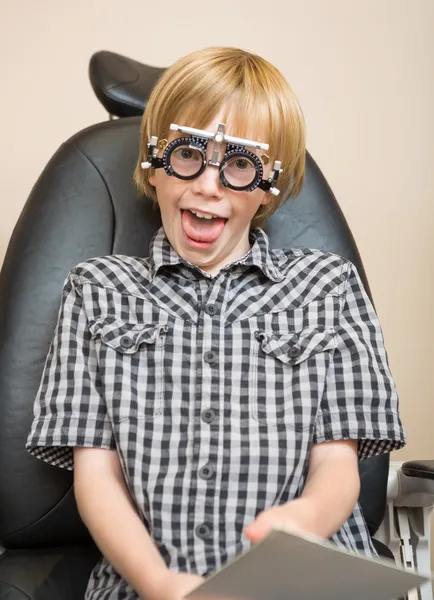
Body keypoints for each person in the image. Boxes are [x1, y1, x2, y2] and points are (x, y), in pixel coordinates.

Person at [26, 46, 406, 600]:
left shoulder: (328, 286)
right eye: (187, 155)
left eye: (240, 165)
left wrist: (304, 518)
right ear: (154, 164)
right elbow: (96, 478)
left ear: (269, 185)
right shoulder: (96, 290)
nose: (208, 185)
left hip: (302, 585)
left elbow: (337, 465)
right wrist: (159, 583)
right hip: (146, 582)